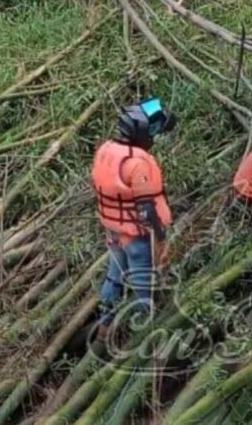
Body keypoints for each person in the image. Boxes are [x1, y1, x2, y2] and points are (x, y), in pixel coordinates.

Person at [91, 97, 176, 338]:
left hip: (115, 230)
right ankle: (143, 332)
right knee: (143, 285)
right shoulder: (136, 162)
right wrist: (160, 239)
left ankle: (104, 327)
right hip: (137, 237)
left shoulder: (106, 150)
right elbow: (146, 209)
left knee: (114, 277)